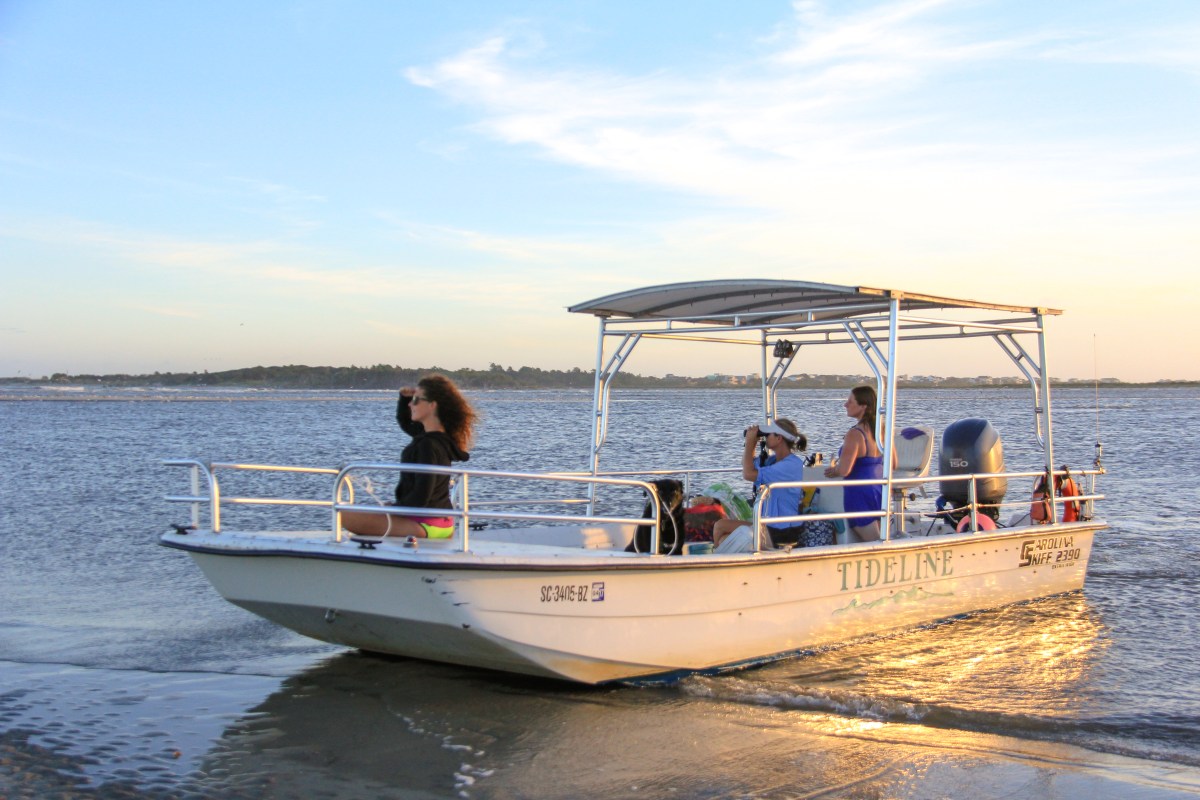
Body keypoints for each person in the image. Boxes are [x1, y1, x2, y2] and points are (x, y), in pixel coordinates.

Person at [342, 373, 477, 539]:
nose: (411, 405)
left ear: (432, 405)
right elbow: (406, 423)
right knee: (359, 511)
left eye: (416, 400)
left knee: (343, 514)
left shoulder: (428, 445)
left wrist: (395, 508)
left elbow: (422, 495)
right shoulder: (439, 439)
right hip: (441, 522)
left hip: (426, 524)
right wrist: (404, 398)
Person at [712, 418, 807, 553]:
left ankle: (716, 562)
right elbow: (747, 464)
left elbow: (748, 474)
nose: (765, 438)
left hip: (781, 531)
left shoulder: (790, 465)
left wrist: (750, 441)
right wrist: (752, 444)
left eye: (768, 434)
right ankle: (721, 562)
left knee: (720, 527)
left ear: (779, 438)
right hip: (768, 526)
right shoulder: (773, 461)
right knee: (723, 537)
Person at [824, 385, 895, 542]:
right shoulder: (882, 430)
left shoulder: (855, 434)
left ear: (864, 406)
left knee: (876, 542)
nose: (845, 404)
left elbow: (844, 470)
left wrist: (832, 471)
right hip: (879, 490)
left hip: (859, 493)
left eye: (850, 401)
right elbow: (894, 463)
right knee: (882, 538)